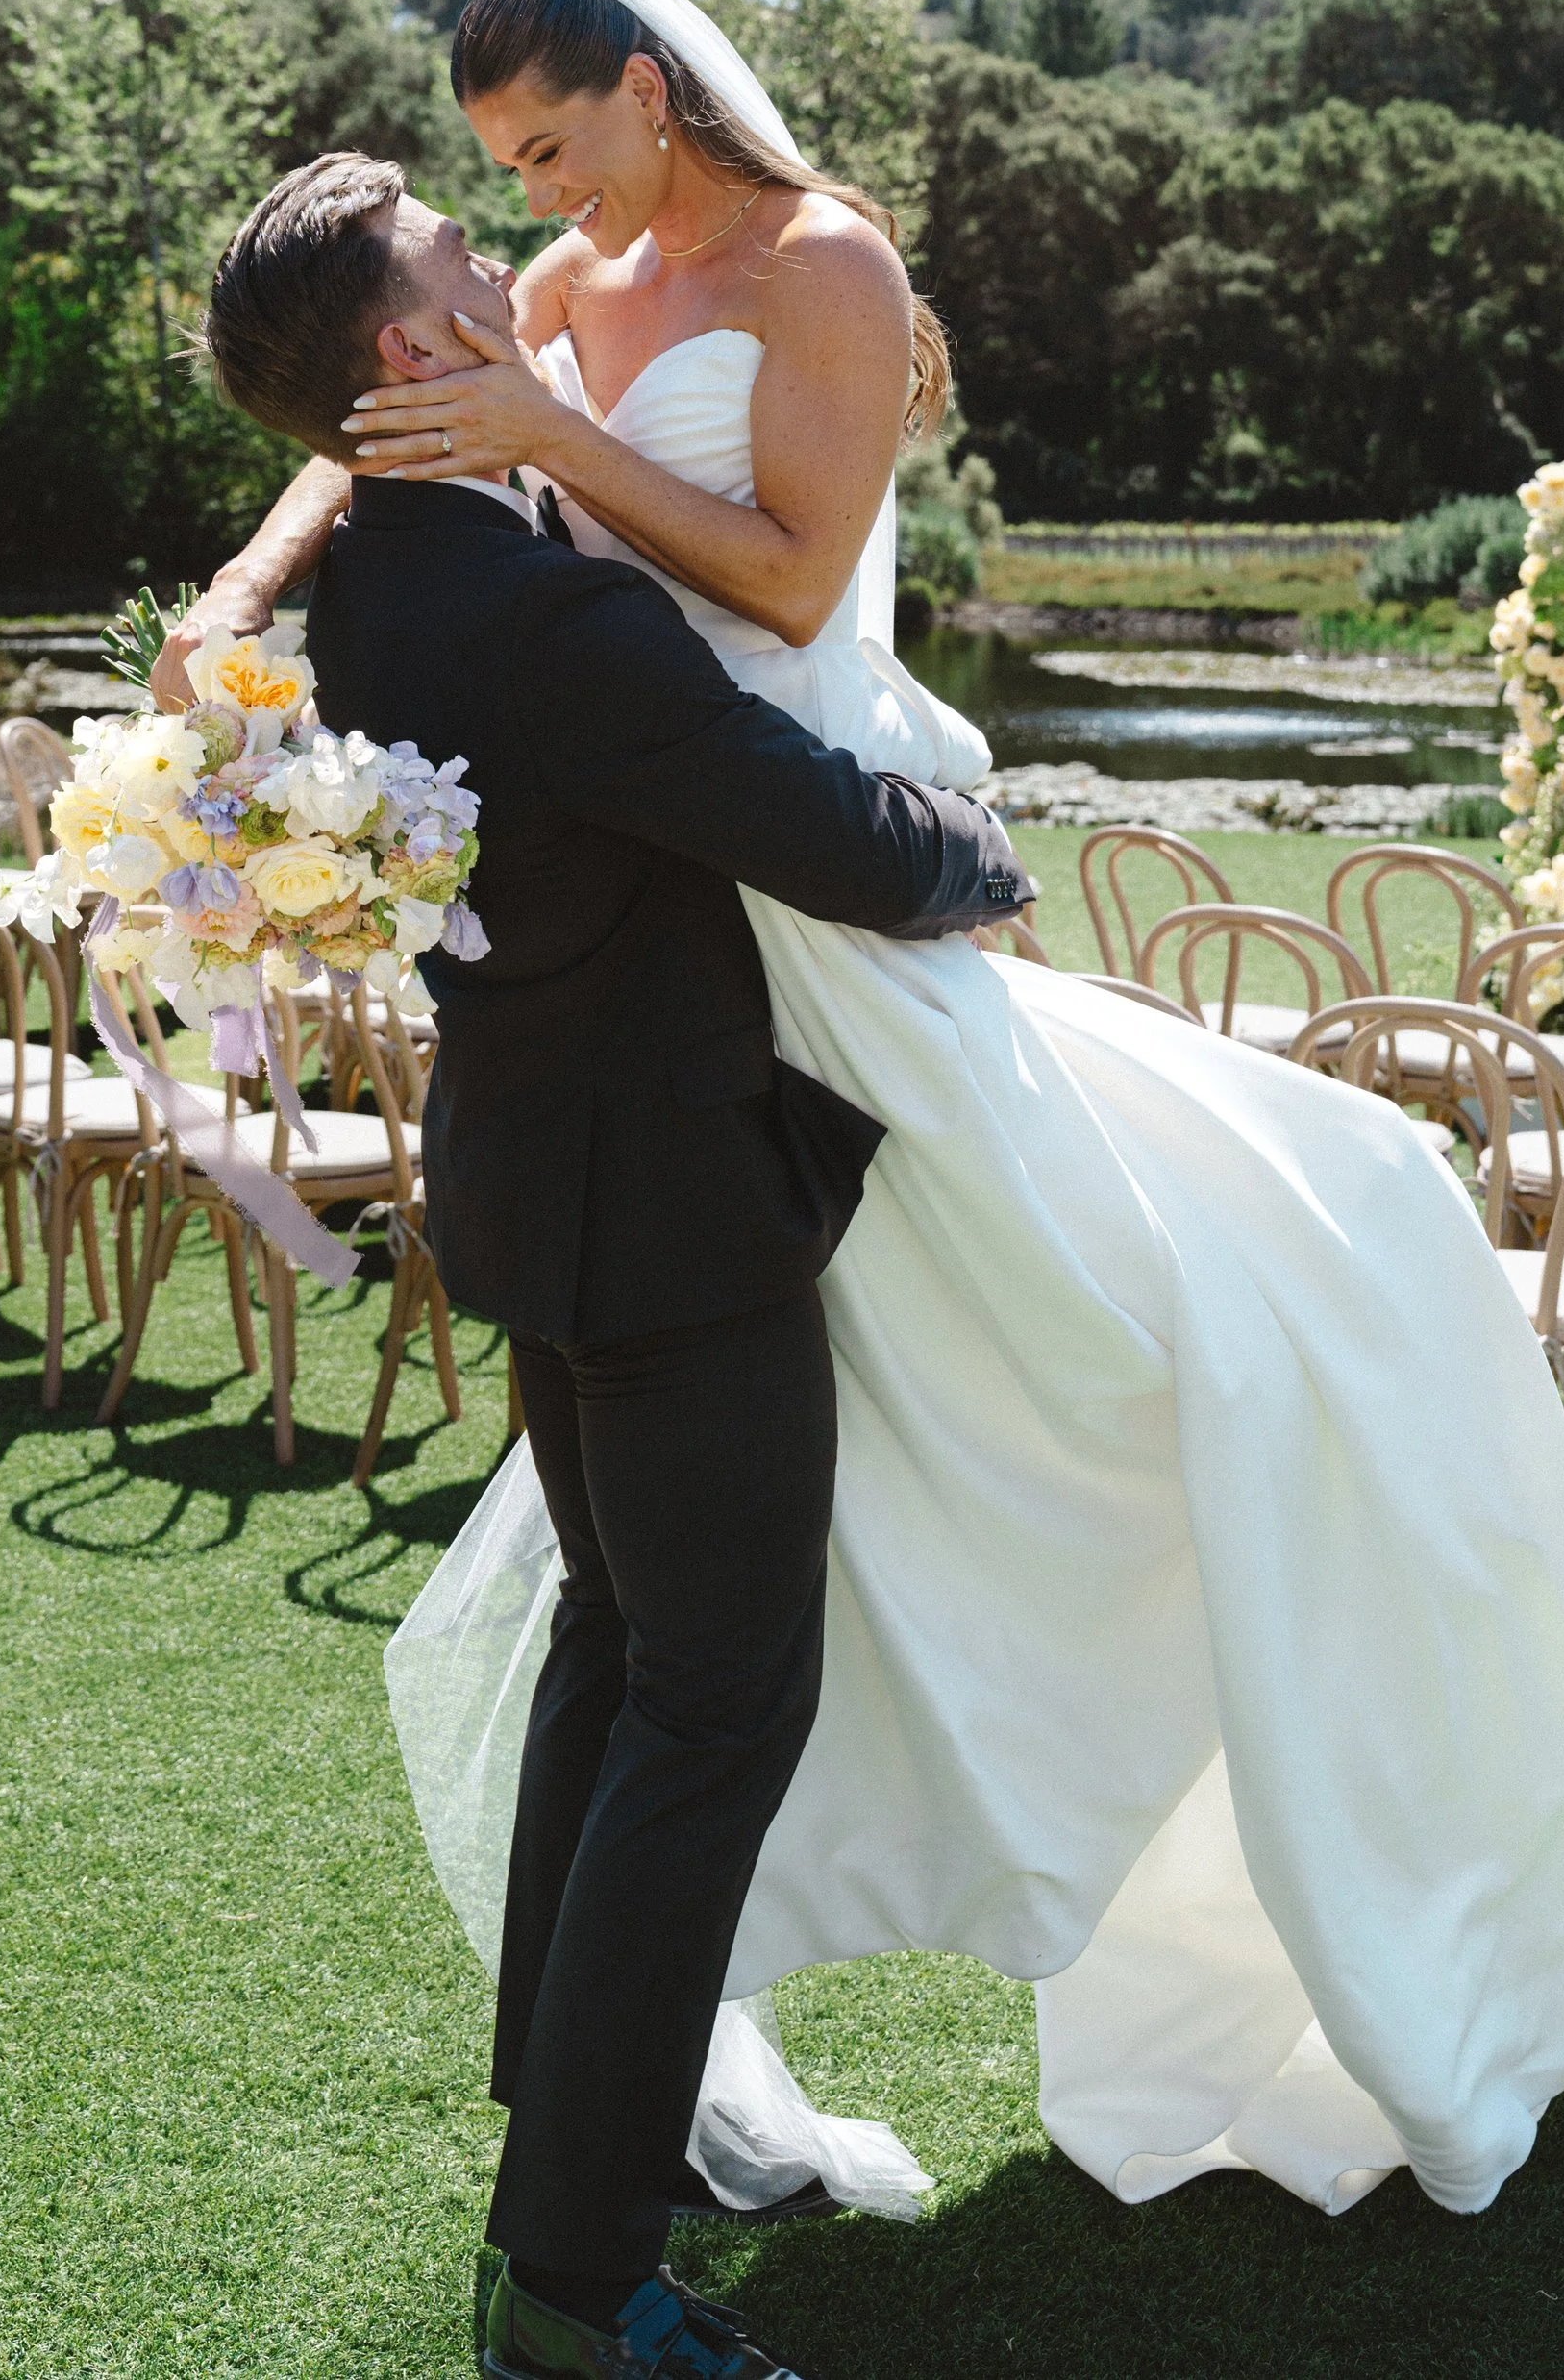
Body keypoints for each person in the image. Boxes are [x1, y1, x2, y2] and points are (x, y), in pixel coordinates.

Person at [175, 0, 1564, 2269]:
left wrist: (555, 448)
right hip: (700, 904)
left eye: (548, 146)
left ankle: (631, 2103)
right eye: (489, 187)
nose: (531, 206)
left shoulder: (805, 272)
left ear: (651, 91)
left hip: (733, 852)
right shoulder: (534, 316)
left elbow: (784, 586)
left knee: (1197, 1287)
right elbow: (367, 481)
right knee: (705, 1631)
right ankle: (591, 2188)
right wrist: (236, 585)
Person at [202, 152, 1030, 2380]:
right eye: (459, 262)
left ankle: (585, 2129)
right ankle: (571, 2283)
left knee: (614, 1648)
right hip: (661, 1214)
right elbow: (813, 830)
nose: (505, 262)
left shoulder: (371, 578)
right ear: (413, 354)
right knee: (715, 1700)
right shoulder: (537, 614)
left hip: (528, 1185)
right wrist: (978, 841)